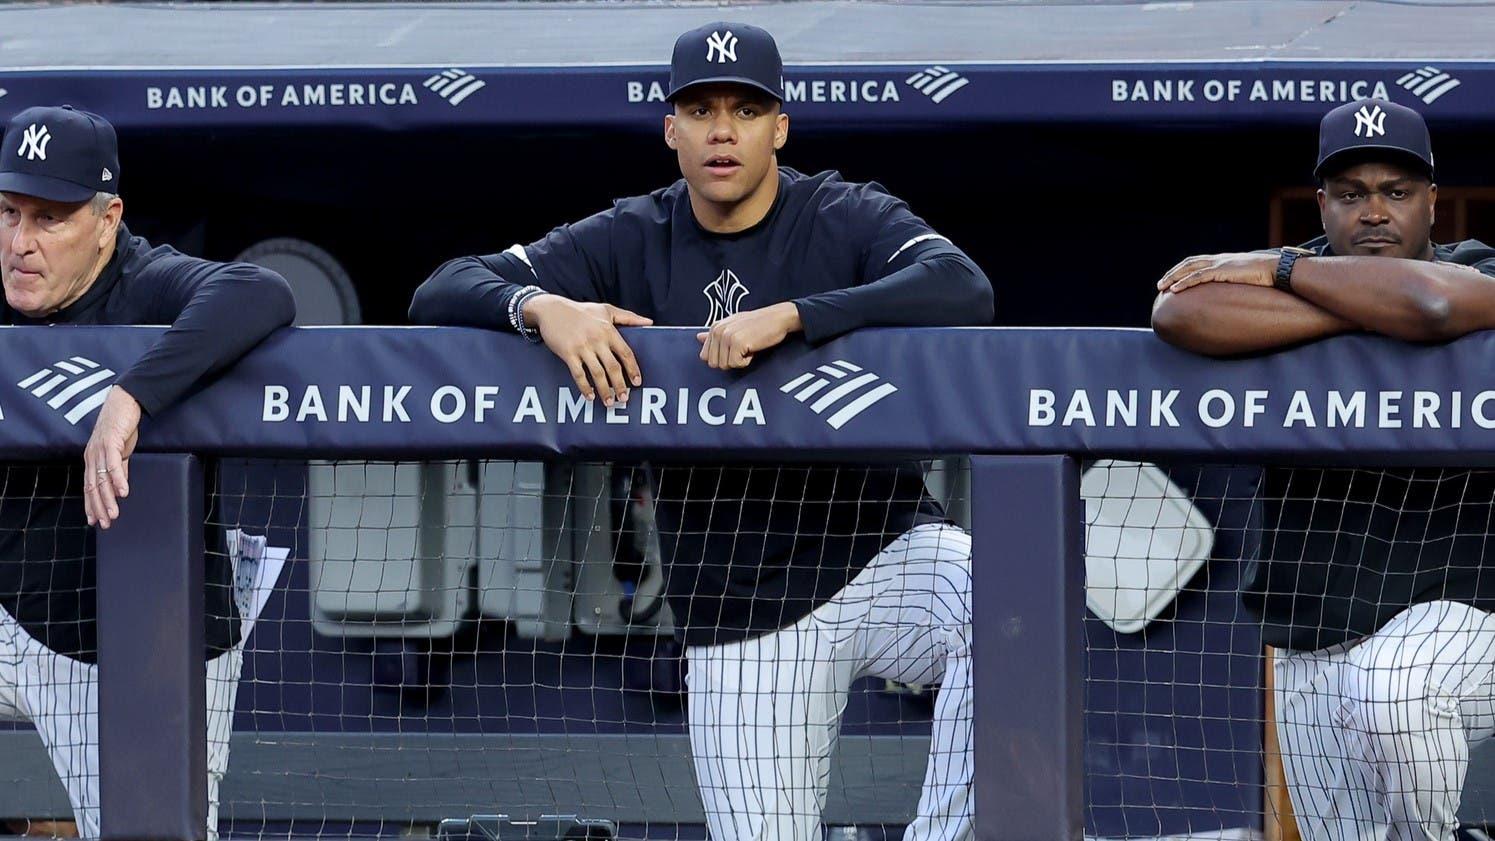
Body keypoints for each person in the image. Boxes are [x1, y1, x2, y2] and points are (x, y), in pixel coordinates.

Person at [410, 21, 993, 841]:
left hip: (879, 554)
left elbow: (961, 286)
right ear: (670, 129)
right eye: (702, 109)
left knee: (1004, 596)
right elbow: (442, 288)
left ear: (779, 127)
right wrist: (542, 309)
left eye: (746, 109)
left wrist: (794, 317)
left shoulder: (841, 213)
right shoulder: (628, 234)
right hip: (737, 608)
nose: (723, 129)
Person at [1152, 98, 1495, 841]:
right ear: (1321, 202)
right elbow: (1178, 316)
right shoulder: (1279, 273)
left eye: (1394, 192)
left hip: (1466, 615)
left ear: (1431, 202)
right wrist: (1363, 307)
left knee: (1394, 690)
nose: (1373, 212)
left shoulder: (1474, 268)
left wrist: (1279, 268)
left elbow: (1435, 304)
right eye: (1350, 194)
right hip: (1312, 625)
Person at [0, 105, 296, 839]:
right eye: (8, 212)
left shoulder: (145, 279)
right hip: (13, 611)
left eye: (50, 218)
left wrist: (131, 395)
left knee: (147, 828)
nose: (20, 242)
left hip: (142, 643)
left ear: (107, 220)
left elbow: (262, 292)